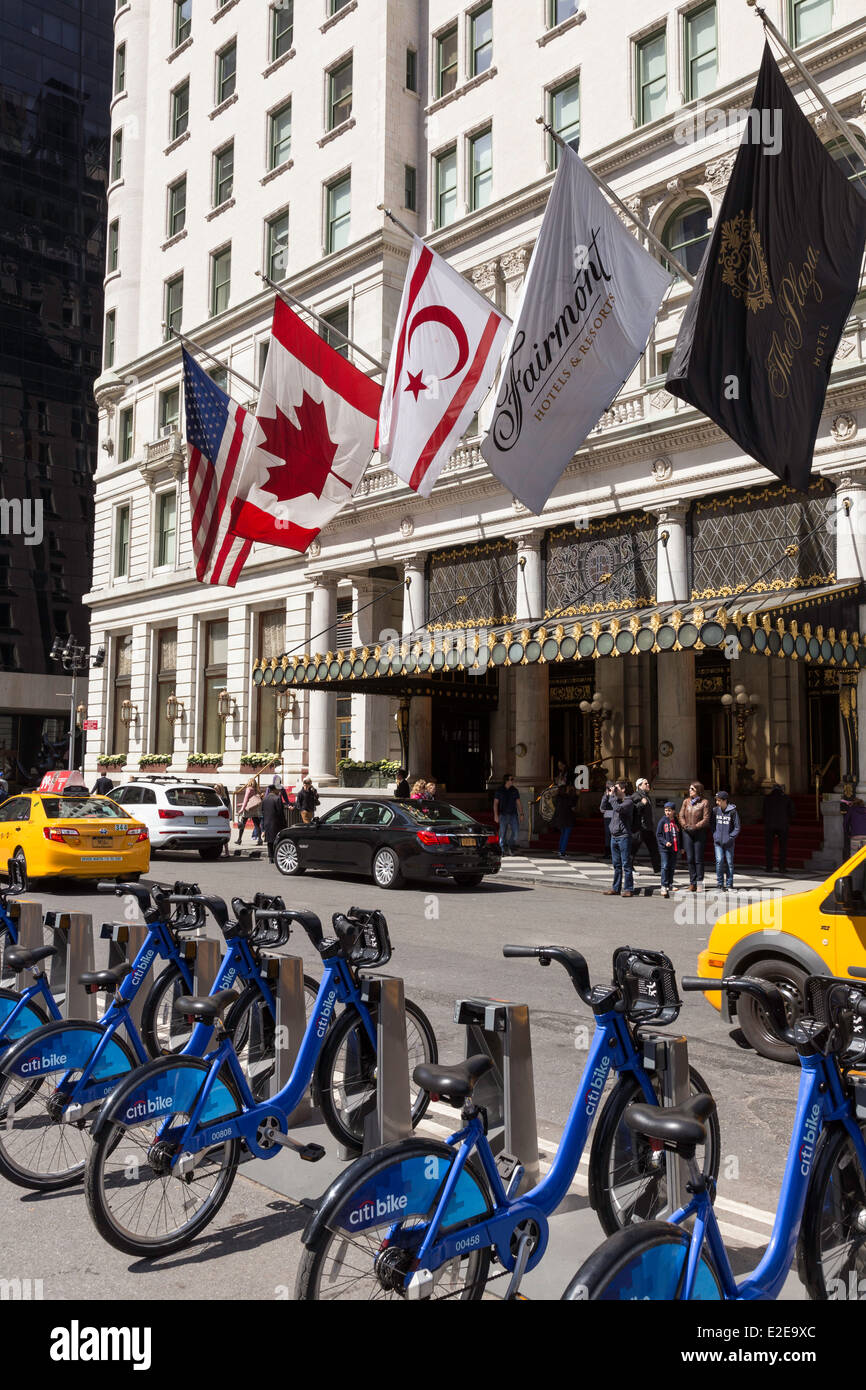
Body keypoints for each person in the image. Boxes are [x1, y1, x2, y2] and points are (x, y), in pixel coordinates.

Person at [601, 782, 635, 896]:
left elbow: (618, 809)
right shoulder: (615, 800)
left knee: (626, 863)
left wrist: (612, 797)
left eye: (617, 788)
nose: (615, 790)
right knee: (616, 864)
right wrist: (607, 795)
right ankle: (616, 888)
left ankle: (628, 889)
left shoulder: (628, 802)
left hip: (624, 836)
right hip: (614, 835)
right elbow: (602, 807)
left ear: (624, 789)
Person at [678, 780, 710, 891]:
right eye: (690, 788)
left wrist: (695, 826)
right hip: (687, 832)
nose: (690, 790)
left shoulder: (704, 802)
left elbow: (706, 819)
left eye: (692, 789)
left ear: (698, 790)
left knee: (698, 859)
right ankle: (692, 882)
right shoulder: (686, 801)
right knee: (690, 858)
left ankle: (699, 883)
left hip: (699, 832)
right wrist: (685, 826)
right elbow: (681, 815)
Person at [712, 790, 740, 890]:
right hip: (718, 842)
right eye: (716, 800)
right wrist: (715, 835)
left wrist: (731, 837)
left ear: (725, 801)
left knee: (729, 862)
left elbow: (737, 827)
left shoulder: (733, 811)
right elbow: (712, 825)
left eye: (719, 800)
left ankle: (729, 883)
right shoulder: (715, 810)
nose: (717, 802)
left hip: (729, 842)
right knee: (719, 861)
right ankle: (719, 883)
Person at [763, 783, 795, 873]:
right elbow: (792, 812)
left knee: (769, 847)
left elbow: (764, 812)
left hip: (770, 825)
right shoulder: (786, 798)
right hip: (783, 825)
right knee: (782, 847)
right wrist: (788, 820)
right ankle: (782, 867)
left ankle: (769, 867)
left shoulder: (767, 798)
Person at [632, 777, 661, 872]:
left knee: (654, 848)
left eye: (648, 783)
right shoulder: (636, 795)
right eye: (646, 783)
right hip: (640, 828)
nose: (648, 785)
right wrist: (641, 804)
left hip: (647, 828)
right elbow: (634, 809)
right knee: (633, 849)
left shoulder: (647, 796)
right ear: (639, 786)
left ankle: (658, 869)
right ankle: (629, 868)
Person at [551, 760, 576, 858]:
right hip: (566, 818)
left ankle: (560, 850)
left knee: (563, 834)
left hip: (560, 818)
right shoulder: (567, 797)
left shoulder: (558, 797)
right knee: (566, 834)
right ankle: (562, 851)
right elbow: (572, 806)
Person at [493, 774, 524, 855]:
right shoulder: (499, 790)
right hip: (503, 815)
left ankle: (510, 846)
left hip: (513, 814)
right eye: (511, 779)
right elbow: (495, 803)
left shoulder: (514, 790)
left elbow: (518, 802)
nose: (513, 781)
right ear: (506, 780)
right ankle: (502, 849)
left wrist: (521, 814)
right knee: (502, 833)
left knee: (516, 833)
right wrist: (496, 815)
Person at [656, 801, 680, 898]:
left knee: (672, 866)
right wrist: (665, 842)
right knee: (665, 866)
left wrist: (681, 847)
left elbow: (680, 834)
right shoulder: (662, 821)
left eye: (669, 810)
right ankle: (663, 885)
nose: (667, 812)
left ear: (673, 811)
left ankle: (670, 884)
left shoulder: (676, 821)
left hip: (674, 848)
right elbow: (658, 834)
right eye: (666, 810)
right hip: (664, 848)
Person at [260, 782, 287, 864]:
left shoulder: (265, 799)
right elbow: (280, 812)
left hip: (267, 823)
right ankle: (276, 856)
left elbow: (262, 811)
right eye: (278, 789)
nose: (279, 790)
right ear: (274, 790)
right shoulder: (277, 798)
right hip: (276, 823)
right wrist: (284, 823)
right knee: (277, 840)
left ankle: (270, 857)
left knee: (269, 841)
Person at [237, 777, 263, 846]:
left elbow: (246, 800)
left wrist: (242, 809)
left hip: (248, 809)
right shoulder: (256, 790)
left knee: (243, 824)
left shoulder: (248, 789)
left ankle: (239, 839)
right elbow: (252, 801)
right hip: (254, 809)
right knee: (257, 825)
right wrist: (241, 804)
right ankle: (260, 840)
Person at [213, 782, 232, 855]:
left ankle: (226, 852)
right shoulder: (219, 797)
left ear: (220, 789)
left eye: (216, 788)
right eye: (214, 788)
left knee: (223, 835)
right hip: (218, 818)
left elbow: (227, 808)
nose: (214, 789)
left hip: (221, 818)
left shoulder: (222, 799)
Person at [600, 781, 615, 859]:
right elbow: (602, 808)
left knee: (610, 835)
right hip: (611, 815)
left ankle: (610, 853)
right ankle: (610, 852)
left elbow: (602, 809)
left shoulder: (611, 795)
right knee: (610, 835)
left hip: (611, 816)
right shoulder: (608, 795)